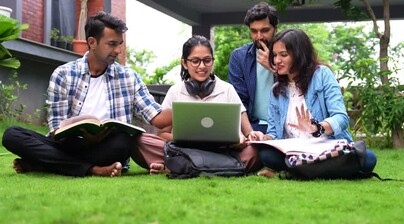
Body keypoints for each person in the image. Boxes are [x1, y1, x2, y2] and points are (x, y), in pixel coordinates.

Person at [2, 11, 172, 177]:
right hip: (69, 145)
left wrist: (190, 110)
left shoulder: (129, 76)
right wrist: (83, 137)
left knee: (124, 141)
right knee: (12, 135)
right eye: (112, 44)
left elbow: (156, 117)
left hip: (107, 149)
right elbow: (55, 130)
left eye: (120, 44)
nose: (118, 50)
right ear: (92, 42)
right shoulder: (63, 74)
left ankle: (44, 163)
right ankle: (93, 169)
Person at [257, 28, 377, 178]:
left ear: (299, 55)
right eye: (274, 55)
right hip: (295, 151)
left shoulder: (322, 75)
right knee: (266, 155)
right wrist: (263, 138)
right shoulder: (276, 90)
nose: (276, 61)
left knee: (369, 159)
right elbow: (273, 132)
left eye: (284, 55)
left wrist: (316, 127)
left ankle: (293, 173)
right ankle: (319, 172)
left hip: (326, 146)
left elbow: (341, 118)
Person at [157, 35, 264, 173]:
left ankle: (183, 168)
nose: (202, 66)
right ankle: (220, 168)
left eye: (207, 61)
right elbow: (162, 134)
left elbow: (249, 133)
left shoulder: (227, 89)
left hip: (224, 151)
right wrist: (188, 141)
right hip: (187, 151)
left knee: (253, 152)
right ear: (184, 63)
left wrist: (246, 138)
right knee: (148, 143)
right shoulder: (175, 91)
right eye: (195, 61)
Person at [228, 2, 278, 133]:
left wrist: (273, 67)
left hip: (285, 123)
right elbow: (238, 101)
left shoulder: (289, 55)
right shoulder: (239, 57)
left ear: (275, 28)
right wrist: (250, 133)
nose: (259, 36)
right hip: (253, 125)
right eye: (254, 31)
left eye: (265, 30)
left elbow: (298, 90)